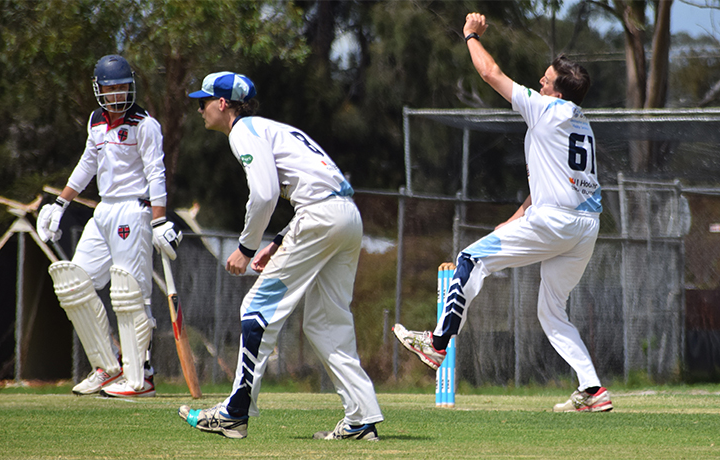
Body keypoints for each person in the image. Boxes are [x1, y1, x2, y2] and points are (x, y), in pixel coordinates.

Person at [393, 12, 612, 413]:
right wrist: (515, 219)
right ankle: (593, 389)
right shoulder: (582, 124)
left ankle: (437, 344)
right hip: (585, 226)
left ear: (557, 93)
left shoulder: (545, 109)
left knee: (469, 260)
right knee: (551, 311)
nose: (540, 81)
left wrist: (470, 36)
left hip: (556, 222)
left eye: (546, 79)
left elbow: (490, 73)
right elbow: (551, 182)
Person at [178, 72, 383, 440]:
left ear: (223, 104)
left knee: (256, 309)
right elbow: (321, 189)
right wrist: (278, 241)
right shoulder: (271, 128)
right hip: (346, 216)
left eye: (203, 101)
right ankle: (361, 419)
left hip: (320, 217)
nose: (200, 109)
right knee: (326, 322)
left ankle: (235, 413)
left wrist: (246, 248)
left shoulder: (243, 131)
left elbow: (264, 193)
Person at [36, 54, 182, 398]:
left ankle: (141, 374)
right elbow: (88, 163)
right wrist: (60, 203)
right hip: (103, 210)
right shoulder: (96, 122)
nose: (117, 94)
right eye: (111, 88)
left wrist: (160, 219)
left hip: (134, 210)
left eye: (123, 87)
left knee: (130, 292)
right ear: (99, 89)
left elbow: (156, 171)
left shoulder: (145, 124)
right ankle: (108, 366)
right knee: (74, 283)